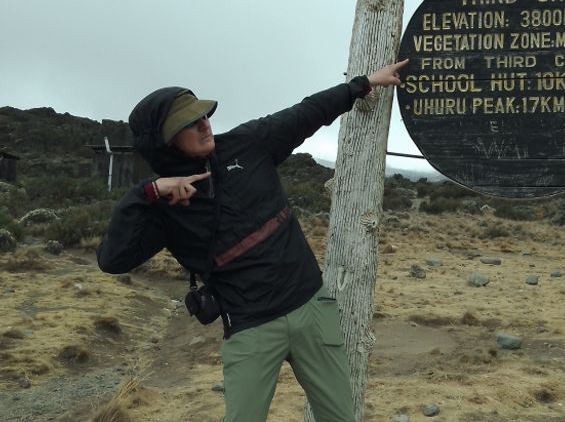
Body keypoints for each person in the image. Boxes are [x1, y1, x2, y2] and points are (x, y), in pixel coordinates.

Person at [96, 60, 408, 422]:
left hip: (310, 308)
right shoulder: (162, 205)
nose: (204, 124)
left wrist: (363, 84)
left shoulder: (247, 144)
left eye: (204, 115)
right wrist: (147, 192)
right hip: (250, 328)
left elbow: (306, 112)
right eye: (189, 123)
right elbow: (112, 259)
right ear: (165, 142)